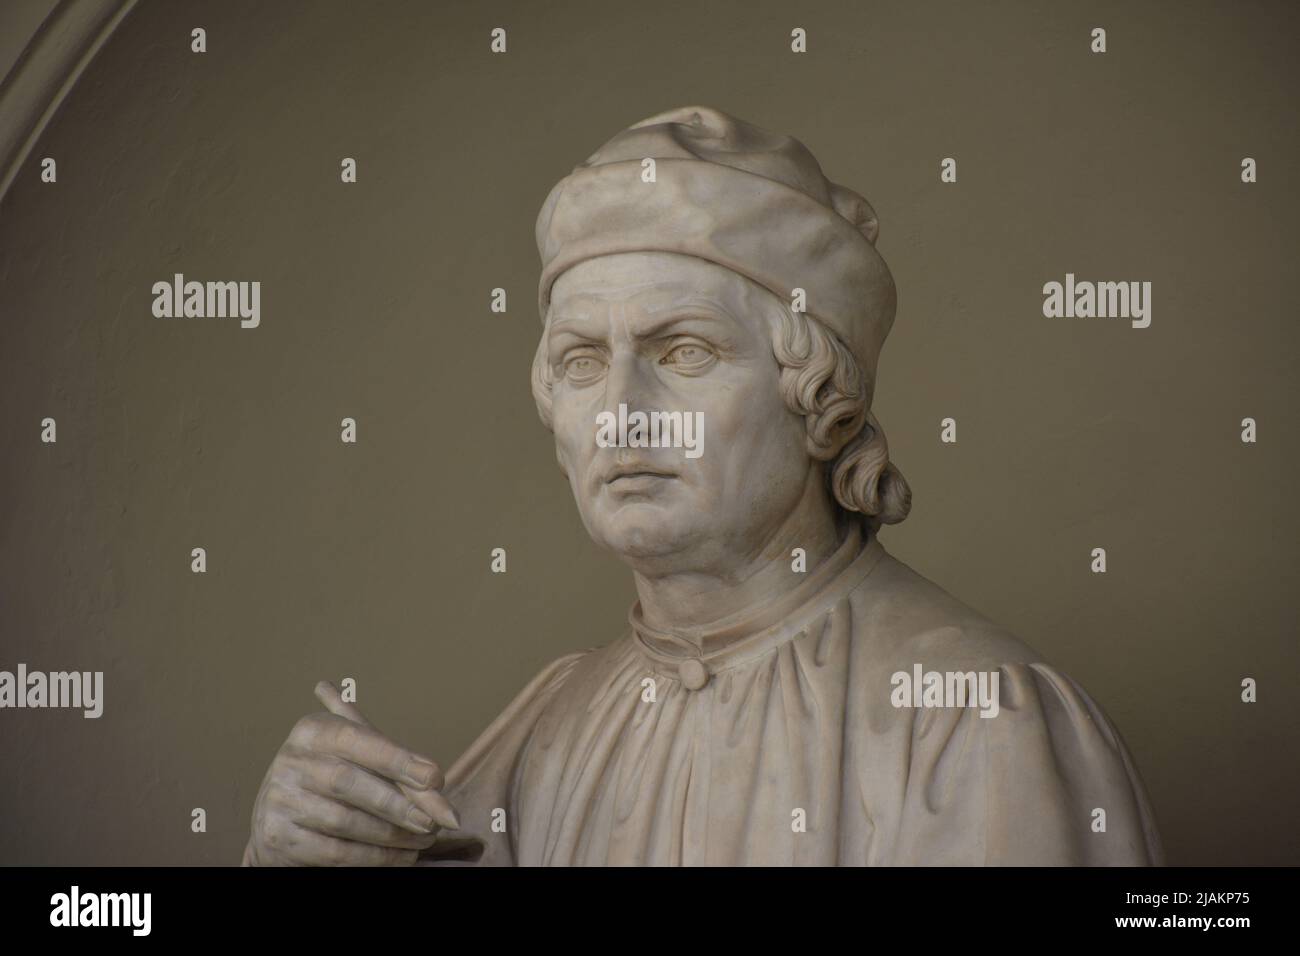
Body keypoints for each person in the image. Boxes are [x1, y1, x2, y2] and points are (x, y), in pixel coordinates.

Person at [243, 106, 1164, 866]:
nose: (621, 412)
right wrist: (301, 857)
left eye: (683, 351)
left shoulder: (979, 718)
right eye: (578, 362)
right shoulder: (548, 722)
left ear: (819, 396)